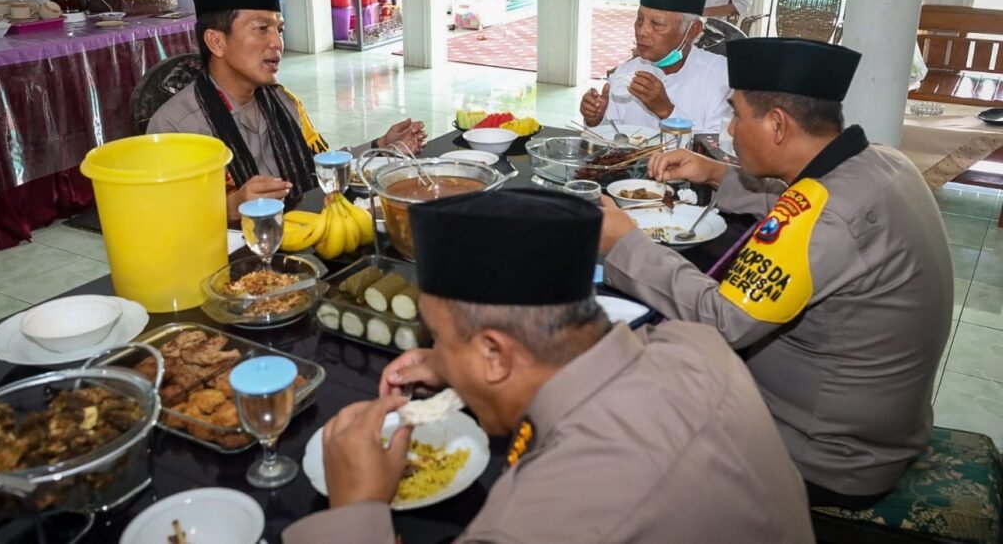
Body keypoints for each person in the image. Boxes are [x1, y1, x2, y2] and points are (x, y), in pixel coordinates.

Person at [284, 189, 815, 544]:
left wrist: (356, 507)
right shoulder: (693, 344)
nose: (435, 351)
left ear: (496, 353)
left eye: (440, 337)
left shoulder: (531, 522)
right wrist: (460, 367)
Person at [598, 38, 953, 509]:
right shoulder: (880, 162)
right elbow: (798, 204)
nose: (730, 128)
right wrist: (715, 173)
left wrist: (623, 242)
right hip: (870, 421)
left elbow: (722, 320)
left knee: (616, 410)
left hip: (826, 454)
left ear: (778, 125)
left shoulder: (831, 215)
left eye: (736, 115)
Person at [147, 0, 426, 221]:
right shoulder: (176, 127)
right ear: (216, 41)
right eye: (261, 29)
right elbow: (166, 220)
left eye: (278, 29)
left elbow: (320, 165)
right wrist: (230, 207)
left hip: (301, 233)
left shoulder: (282, 101)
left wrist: (382, 146)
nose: (277, 43)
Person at [579, 0, 732, 133]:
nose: (642, 31)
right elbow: (608, 141)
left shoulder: (721, 76)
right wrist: (595, 119)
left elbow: (719, 149)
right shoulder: (626, 73)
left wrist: (666, 111)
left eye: (657, 24)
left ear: (692, 31)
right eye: (639, 19)